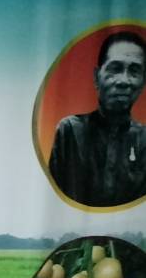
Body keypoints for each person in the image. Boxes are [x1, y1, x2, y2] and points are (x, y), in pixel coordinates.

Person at [48, 30, 146, 208]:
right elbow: (53, 201)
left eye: (134, 71)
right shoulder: (70, 131)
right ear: (96, 77)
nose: (124, 81)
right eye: (115, 68)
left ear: (143, 82)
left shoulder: (144, 140)